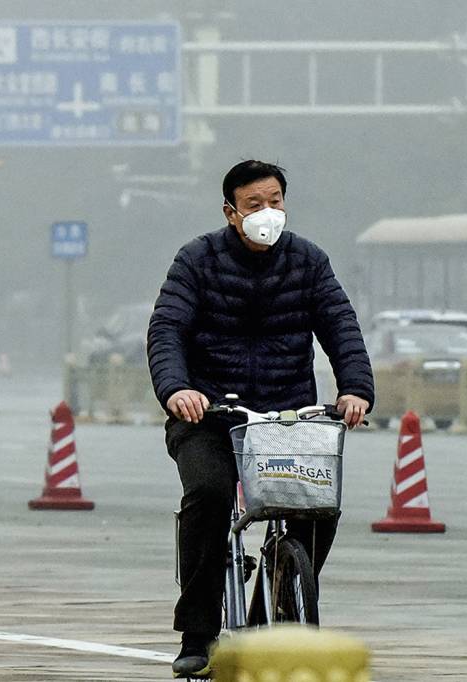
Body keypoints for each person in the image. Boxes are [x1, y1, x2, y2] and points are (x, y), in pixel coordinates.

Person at [147, 160, 375, 677]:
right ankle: (199, 633)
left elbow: (341, 326)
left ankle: (281, 595)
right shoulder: (196, 262)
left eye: (275, 201)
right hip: (209, 414)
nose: (266, 213)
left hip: (287, 416)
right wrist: (177, 389)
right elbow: (167, 331)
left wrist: (356, 390)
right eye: (254, 205)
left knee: (319, 506)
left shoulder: (308, 262)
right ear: (231, 213)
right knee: (208, 496)